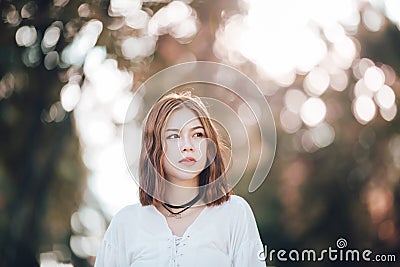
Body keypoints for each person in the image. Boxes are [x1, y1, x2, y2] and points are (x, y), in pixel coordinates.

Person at [95, 91, 266, 266]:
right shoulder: (125, 223)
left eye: (198, 135)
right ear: (155, 148)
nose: (187, 146)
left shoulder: (235, 213)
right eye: (174, 136)